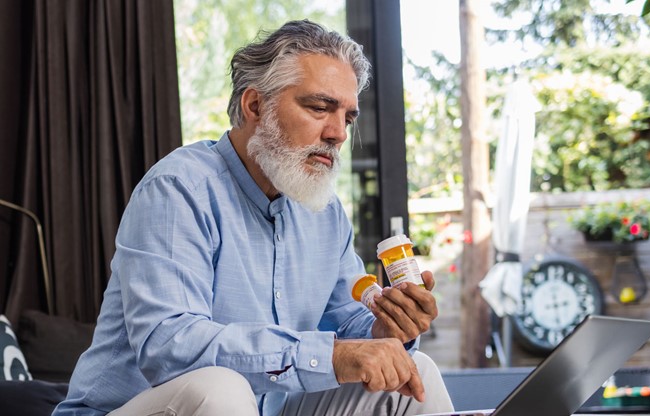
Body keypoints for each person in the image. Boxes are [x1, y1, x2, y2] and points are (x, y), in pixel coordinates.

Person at [53, 20, 454, 416]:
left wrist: (386, 330)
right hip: (133, 409)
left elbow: (349, 327)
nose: (338, 134)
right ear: (255, 106)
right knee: (220, 387)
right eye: (319, 107)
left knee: (412, 374)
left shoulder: (325, 213)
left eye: (347, 118)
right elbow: (169, 345)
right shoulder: (179, 188)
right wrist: (328, 356)